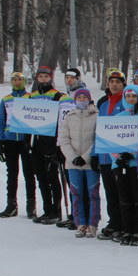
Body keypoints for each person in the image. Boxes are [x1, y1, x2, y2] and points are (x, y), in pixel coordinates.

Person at [26, 65, 66, 224]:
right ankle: (47, 209)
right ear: (37, 78)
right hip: (36, 142)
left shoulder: (57, 96)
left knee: (52, 177)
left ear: (51, 78)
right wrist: (26, 141)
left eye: (46, 76)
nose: (43, 79)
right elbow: (26, 120)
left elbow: (61, 121)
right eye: (41, 76)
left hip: (51, 143)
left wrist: (58, 145)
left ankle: (56, 210)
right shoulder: (32, 96)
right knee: (40, 177)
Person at [58, 87, 100, 237]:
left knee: (92, 193)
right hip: (73, 163)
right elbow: (63, 139)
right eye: (79, 97)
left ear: (89, 99)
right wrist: (73, 157)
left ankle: (93, 223)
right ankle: (80, 223)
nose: (82, 100)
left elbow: (98, 138)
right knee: (76, 193)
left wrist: (86, 157)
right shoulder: (70, 117)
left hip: (89, 163)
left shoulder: (96, 115)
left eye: (84, 97)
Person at [0, 71, 37, 219]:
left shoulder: (30, 97)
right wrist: (0, 142)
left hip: (25, 141)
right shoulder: (6, 99)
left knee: (29, 173)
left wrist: (31, 139)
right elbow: (0, 121)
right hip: (10, 140)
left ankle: (31, 205)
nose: (17, 82)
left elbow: (36, 119)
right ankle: (11, 204)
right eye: (14, 79)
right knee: (12, 173)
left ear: (24, 81)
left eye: (20, 79)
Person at [111, 85, 138, 245]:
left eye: (134, 96)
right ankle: (127, 229)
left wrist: (133, 155)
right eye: (128, 96)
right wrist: (118, 156)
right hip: (120, 163)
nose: (131, 99)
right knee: (124, 197)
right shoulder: (119, 117)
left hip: (137, 164)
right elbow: (110, 140)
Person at [95, 69, 129, 241]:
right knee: (109, 192)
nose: (114, 85)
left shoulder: (127, 102)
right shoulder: (102, 102)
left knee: (122, 192)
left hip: (121, 158)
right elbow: (99, 130)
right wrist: (96, 154)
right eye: (112, 81)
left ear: (123, 84)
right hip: (105, 156)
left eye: (118, 82)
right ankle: (114, 221)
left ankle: (125, 224)